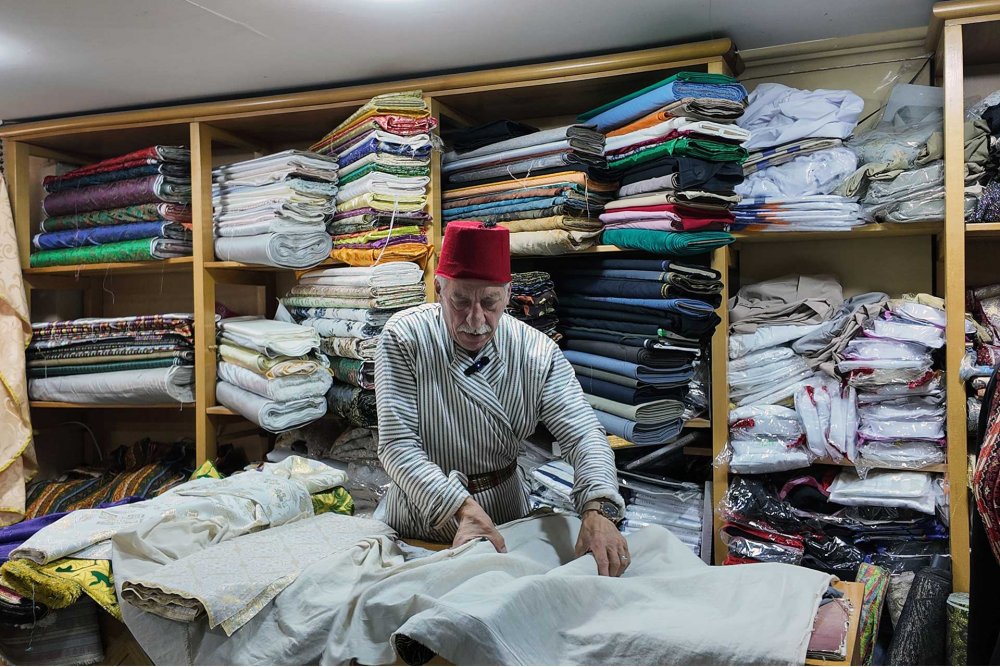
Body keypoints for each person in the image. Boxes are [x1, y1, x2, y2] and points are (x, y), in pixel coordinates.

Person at [374, 220, 630, 577]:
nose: (476, 319)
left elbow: (583, 434)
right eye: (460, 301)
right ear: (438, 289)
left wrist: (597, 508)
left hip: (505, 513)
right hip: (421, 517)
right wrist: (460, 507)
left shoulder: (537, 352)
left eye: (490, 302)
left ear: (509, 294)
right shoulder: (404, 338)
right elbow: (397, 446)